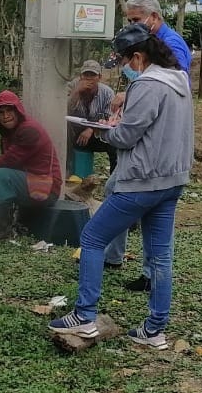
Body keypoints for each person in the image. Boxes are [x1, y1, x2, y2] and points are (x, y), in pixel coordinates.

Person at [50, 23, 194, 349]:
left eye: (127, 62)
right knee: (160, 257)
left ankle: (84, 316)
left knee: (92, 237)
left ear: (139, 57)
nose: (126, 68)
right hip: (172, 180)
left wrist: (102, 130)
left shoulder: (148, 85)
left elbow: (126, 137)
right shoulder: (179, 82)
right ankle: (154, 330)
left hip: (142, 180)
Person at [108, 0, 193, 289]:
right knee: (119, 191)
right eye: (129, 20)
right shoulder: (152, 46)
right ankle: (121, 259)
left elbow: (168, 89)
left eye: (136, 19)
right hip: (151, 143)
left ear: (154, 17)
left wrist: (128, 98)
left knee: (155, 219)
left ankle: (146, 272)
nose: (132, 25)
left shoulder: (171, 47)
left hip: (157, 146)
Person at [0, 90, 62, 241]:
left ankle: (2, 228)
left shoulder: (29, 130)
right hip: (33, 182)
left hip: (47, 187)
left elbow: (9, 160)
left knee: (0, 176)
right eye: (1, 113)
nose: (5, 116)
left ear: (18, 111)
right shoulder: (9, 134)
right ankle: (13, 219)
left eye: (9, 111)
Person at [67, 59, 117, 173]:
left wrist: (91, 129)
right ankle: (67, 171)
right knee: (63, 130)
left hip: (96, 133)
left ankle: (114, 179)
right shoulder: (72, 86)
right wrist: (77, 92)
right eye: (86, 75)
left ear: (99, 77)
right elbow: (62, 110)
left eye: (92, 75)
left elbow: (109, 117)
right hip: (73, 133)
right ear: (81, 76)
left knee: (114, 144)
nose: (89, 78)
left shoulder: (107, 92)